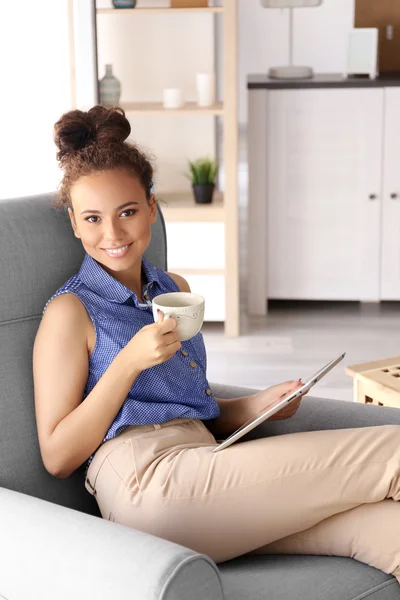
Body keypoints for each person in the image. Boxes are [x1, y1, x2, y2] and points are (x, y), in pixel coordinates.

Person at [33, 105, 400, 581]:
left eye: (126, 211)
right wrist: (127, 362)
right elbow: (57, 456)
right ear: (75, 225)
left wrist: (252, 408)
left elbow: (179, 403)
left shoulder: (172, 288)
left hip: (207, 470)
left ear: (151, 206)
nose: (113, 233)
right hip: (146, 485)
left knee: (387, 529)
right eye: (93, 218)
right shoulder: (71, 311)